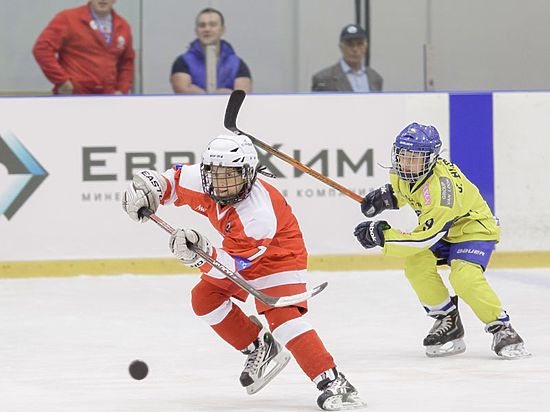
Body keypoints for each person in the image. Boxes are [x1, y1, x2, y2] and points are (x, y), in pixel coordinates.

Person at [122, 135, 366, 410]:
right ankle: (258, 346)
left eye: (230, 176)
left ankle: (333, 382)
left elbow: (237, 266)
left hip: (279, 255)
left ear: (249, 175)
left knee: (283, 319)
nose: (221, 183)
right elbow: (169, 182)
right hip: (238, 251)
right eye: (216, 174)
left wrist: (200, 254)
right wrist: (148, 191)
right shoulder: (201, 179)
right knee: (204, 299)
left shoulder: (257, 215)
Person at [353, 123, 530, 359]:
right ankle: (447, 320)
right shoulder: (404, 171)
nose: (406, 163)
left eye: (414, 158)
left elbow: (423, 238)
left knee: (464, 276)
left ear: (431, 159)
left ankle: (502, 327)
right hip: (441, 228)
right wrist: (388, 198)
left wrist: (381, 235)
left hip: (472, 228)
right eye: (403, 155)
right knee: (416, 264)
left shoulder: (442, 192)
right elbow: (410, 192)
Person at [32, 0, 134, 95]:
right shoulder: (68, 18)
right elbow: (42, 49)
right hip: (73, 96)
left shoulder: (123, 26)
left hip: (107, 97)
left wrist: (122, 90)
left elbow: (127, 62)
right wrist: (61, 80)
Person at [170, 8, 252, 94]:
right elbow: (182, 90)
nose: (207, 29)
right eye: (202, 25)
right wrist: (215, 95)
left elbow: (241, 95)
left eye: (212, 25)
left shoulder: (237, 63)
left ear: (222, 30)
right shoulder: (183, 62)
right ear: (196, 30)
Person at [311, 24, 382, 92]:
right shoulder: (323, 80)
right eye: (350, 44)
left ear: (365, 47)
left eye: (360, 44)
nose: (355, 49)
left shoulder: (375, 78)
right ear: (341, 47)